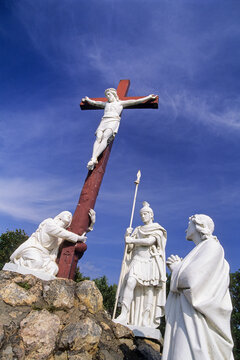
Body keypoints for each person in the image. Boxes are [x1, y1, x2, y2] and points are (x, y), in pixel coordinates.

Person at [162, 214, 234, 360]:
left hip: (196, 322)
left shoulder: (213, 247)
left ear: (199, 226)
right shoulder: (200, 250)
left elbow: (191, 279)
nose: (186, 229)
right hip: (188, 318)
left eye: (189, 224)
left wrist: (176, 268)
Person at [115, 201, 167, 328]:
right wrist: (127, 236)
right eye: (141, 214)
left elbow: (150, 241)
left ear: (151, 215)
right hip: (137, 259)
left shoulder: (157, 229)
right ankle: (124, 314)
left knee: (149, 289)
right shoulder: (137, 229)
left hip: (150, 260)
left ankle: (145, 318)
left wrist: (132, 239)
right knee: (130, 282)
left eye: (145, 214)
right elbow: (130, 248)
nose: (143, 217)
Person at [4, 210, 95, 278]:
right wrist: (79, 238)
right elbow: (64, 233)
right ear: (59, 217)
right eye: (66, 215)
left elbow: (74, 235)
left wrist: (90, 225)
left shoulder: (60, 237)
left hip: (45, 254)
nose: (69, 216)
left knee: (53, 269)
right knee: (36, 263)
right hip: (33, 248)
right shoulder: (49, 223)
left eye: (70, 218)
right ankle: (18, 262)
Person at [82, 88, 157, 170]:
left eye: (109, 95)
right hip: (104, 120)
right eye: (107, 95)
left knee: (105, 137)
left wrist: (148, 97)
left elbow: (136, 101)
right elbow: (95, 103)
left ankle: (94, 158)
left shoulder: (120, 103)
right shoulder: (106, 104)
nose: (108, 97)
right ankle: (93, 157)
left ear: (114, 95)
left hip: (113, 120)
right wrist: (88, 100)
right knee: (98, 137)